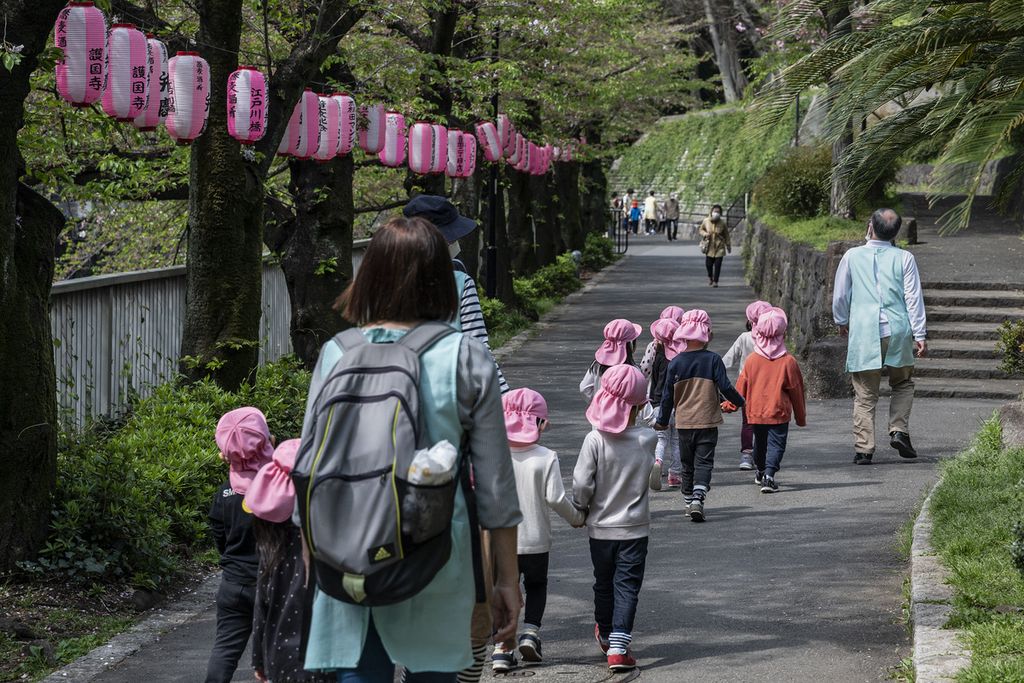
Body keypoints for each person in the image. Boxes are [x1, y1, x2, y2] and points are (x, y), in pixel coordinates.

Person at [299, 217, 523, 683]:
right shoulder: (464, 355)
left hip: (345, 551)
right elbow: (496, 484)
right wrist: (505, 579)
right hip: (437, 554)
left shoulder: (336, 353)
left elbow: (308, 468)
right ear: (443, 278)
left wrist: (312, 560)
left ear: (370, 275)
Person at [491, 389, 584, 672]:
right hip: (535, 540)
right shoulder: (546, 456)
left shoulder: (493, 455)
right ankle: (530, 633)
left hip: (500, 542)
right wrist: (577, 517)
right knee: (536, 586)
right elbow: (556, 498)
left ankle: (502, 648)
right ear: (539, 424)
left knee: (502, 590)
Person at [572, 364, 657, 673]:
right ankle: (620, 647)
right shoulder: (647, 439)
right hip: (635, 528)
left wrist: (581, 506)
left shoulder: (594, 440)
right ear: (638, 405)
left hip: (600, 528)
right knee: (628, 585)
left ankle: (606, 634)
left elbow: (582, 484)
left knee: (603, 583)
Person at [832, 208, 927, 465]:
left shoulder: (852, 256)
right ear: (896, 233)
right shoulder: (905, 258)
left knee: (864, 393)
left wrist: (841, 321)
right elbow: (913, 298)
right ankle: (898, 430)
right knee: (903, 383)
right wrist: (920, 333)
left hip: (864, 332)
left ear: (870, 227)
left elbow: (841, 294)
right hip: (897, 330)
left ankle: (864, 449)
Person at [244, 439, 332, 683]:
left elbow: (261, 608)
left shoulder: (271, 547)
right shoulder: (332, 541)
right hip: (328, 660)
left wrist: (258, 660)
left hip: (280, 658)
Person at [404, 195, 509, 395]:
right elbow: (477, 349)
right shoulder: (459, 283)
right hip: (444, 397)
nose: (455, 241)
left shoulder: (382, 281)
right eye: (452, 237)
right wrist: (505, 399)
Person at [655, 310, 744, 522]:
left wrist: (662, 421)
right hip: (707, 421)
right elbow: (725, 387)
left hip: (684, 422)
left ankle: (688, 502)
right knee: (704, 462)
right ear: (708, 335)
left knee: (687, 464)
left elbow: (667, 396)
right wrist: (740, 402)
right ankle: (698, 496)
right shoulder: (713, 360)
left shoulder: (675, 363)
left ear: (684, 335)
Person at [207, 407, 274, 683]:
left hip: (234, 584)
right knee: (274, 652)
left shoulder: (224, 493)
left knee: (225, 650)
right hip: (271, 584)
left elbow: (219, 535)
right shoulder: (277, 488)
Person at [735, 308, 807, 493]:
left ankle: (760, 470)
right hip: (778, 412)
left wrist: (730, 404)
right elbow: (796, 391)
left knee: (759, 443)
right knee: (776, 445)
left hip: (756, 411)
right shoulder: (788, 361)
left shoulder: (752, 360)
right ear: (783, 332)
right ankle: (769, 475)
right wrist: (800, 417)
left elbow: (741, 386)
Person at [722, 300, 773, 471]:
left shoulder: (744, 338)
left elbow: (727, 361)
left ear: (750, 320)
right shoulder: (774, 339)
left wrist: (714, 374)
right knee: (767, 421)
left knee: (748, 422)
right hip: (768, 386)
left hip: (747, 387)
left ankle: (747, 454)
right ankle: (763, 454)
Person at [645, 318, 682, 490]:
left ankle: (657, 462)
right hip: (679, 404)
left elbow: (650, 376)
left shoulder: (657, 355)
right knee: (676, 440)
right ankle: (674, 474)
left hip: (659, 402)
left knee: (661, 438)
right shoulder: (681, 357)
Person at [581, 318, 643, 403]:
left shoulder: (597, 365)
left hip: (600, 413)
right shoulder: (634, 370)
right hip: (625, 414)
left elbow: (584, 388)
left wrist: (598, 403)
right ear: (630, 344)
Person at [698, 205, 731, 287]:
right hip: (709, 246)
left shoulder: (722, 223)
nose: (716, 213)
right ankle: (710, 277)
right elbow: (701, 230)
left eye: (718, 212)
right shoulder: (706, 221)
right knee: (708, 264)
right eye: (715, 211)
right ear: (711, 212)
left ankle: (716, 281)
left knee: (718, 265)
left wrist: (728, 245)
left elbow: (726, 235)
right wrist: (705, 234)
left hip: (719, 247)